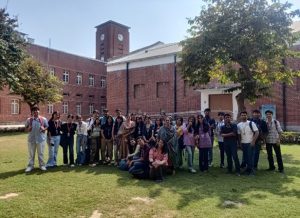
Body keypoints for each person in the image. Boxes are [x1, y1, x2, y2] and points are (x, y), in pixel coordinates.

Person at [25, 105, 49, 172]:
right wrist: (28, 129)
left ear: (39, 111)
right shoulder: (29, 120)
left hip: (40, 139)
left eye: (37, 110)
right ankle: (30, 166)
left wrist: (44, 129)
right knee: (31, 154)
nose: (35, 111)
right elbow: (26, 129)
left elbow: (47, 126)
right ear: (32, 112)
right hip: (31, 139)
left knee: (41, 153)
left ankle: (42, 165)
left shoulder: (43, 119)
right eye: (34, 110)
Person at [237, 111, 259, 175]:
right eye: (242, 115)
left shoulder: (251, 123)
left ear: (247, 116)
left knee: (250, 157)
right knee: (245, 157)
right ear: (240, 116)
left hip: (250, 143)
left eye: (245, 115)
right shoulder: (239, 125)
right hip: (243, 143)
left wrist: (253, 141)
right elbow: (239, 135)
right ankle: (247, 170)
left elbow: (257, 132)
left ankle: (252, 172)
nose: (244, 116)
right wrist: (239, 143)